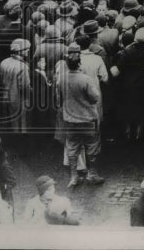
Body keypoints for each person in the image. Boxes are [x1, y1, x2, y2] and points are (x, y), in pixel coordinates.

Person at [55, 43, 104, 188]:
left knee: (72, 147)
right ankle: (92, 174)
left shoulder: (61, 78)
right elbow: (95, 98)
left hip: (70, 119)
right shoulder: (86, 79)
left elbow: (58, 99)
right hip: (88, 118)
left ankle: (73, 176)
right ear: (79, 63)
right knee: (92, 147)